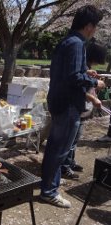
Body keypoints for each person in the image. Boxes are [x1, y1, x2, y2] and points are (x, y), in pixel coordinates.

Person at [41, 5, 105, 208]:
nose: (95, 30)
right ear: (88, 26)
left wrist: (87, 73)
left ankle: (48, 186)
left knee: (54, 148)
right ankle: (49, 191)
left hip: (58, 101)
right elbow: (73, 77)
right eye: (95, 26)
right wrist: (96, 83)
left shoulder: (66, 41)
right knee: (59, 150)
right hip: (68, 104)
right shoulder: (77, 44)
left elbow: (70, 73)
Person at [61, 42, 107, 180]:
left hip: (83, 110)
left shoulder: (86, 67)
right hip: (76, 107)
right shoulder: (81, 66)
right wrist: (93, 99)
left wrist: (93, 82)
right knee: (69, 142)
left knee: (75, 140)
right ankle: (64, 168)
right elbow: (77, 90)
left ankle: (70, 162)